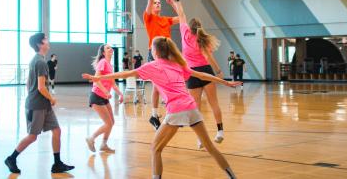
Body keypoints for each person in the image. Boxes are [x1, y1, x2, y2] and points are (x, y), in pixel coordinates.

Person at [82, 36, 240, 179]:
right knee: (210, 147)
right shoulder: (176, 64)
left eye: (151, 47)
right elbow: (202, 75)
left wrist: (98, 77)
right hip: (192, 108)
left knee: (155, 149)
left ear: (155, 51)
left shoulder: (152, 66)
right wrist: (226, 82)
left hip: (177, 110)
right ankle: (232, 176)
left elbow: (125, 74)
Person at [5, 33, 74, 174]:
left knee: (57, 130)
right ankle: (11, 158)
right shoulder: (40, 62)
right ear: (40, 44)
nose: (48, 42)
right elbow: (41, 87)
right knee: (32, 136)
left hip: (43, 105)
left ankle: (57, 163)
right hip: (36, 106)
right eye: (45, 40)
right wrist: (52, 98)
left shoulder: (37, 60)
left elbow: (28, 83)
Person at [167, 0, 228, 145]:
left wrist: (176, 0)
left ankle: (201, 138)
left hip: (192, 74)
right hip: (206, 72)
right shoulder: (202, 39)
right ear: (200, 27)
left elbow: (181, 15)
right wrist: (219, 71)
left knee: (196, 108)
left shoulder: (185, 33)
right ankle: (220, 131)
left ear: (189, 27)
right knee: (214, 103)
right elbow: (209, 57)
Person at [143, 0, 179, 130]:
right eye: (155, 3)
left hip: (169, 55)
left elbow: (182, 18)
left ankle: (155, 114)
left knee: (170, 83)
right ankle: (155, 113)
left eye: (159, 3)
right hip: (155, 54)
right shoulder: (149, 18)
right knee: (158, 85)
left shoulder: (166, 20)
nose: (157, 4)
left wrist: (174, 2)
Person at [85, 44, 124, 153]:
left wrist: (120, 94)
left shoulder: (110, 65)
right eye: (108, 48)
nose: (111, 49)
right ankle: (91, 138)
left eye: (111, 47)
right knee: (108, 123)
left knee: (111, 122)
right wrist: (105, 91)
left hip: (104, 97)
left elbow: (113, 84)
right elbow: (96, 79)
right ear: (103, 53)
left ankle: (104, 144)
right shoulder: (102, 63)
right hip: (96, 96)